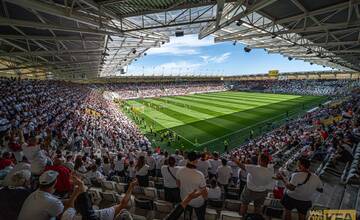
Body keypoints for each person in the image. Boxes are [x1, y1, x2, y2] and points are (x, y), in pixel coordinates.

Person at [62, 178, 138, 220]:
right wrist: (131, 186)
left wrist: (78, 192)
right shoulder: (108, 216)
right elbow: (123, 203)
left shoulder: (68, 216)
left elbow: (88, 214)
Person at [176, 151, 207, 220]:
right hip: (197, 202)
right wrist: (205, 199)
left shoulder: (179, 170)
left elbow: (178, 184)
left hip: (184, 199)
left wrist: (185, 190)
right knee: (200, 216)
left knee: (187, 214)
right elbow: (204, 191)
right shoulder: (199, 174)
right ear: (195, 161)